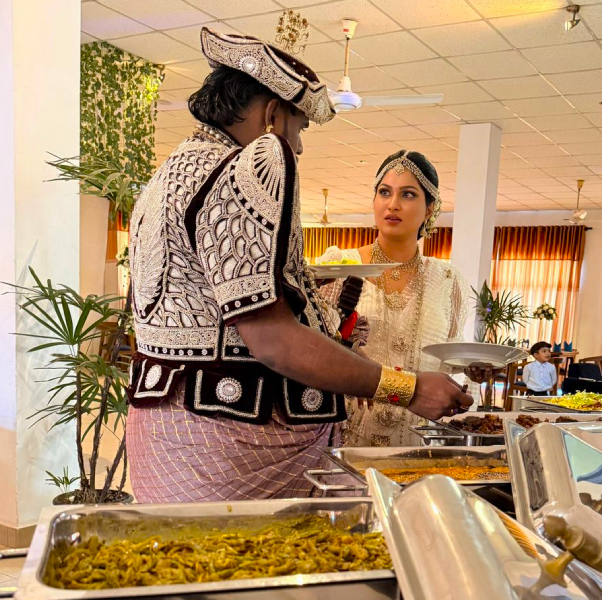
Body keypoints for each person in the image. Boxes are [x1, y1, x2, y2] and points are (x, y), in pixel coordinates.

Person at [126, 29, 472, 503]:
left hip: (165, 433)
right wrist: (405, 389)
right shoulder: (249, 164)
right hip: (227, 444)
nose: (300, 146)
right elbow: (273, 340)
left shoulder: (170, 172)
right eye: (301, 127)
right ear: (273, 115)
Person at [318, 150, 471, 447]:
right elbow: (313, 348)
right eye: (384, 192)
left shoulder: (447, 281)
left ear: (430, 208)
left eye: (408, 194)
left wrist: (474, 367)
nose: (393, 204)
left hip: (417, 442)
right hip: (343, 440)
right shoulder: (338, 267)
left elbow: (448, 360)